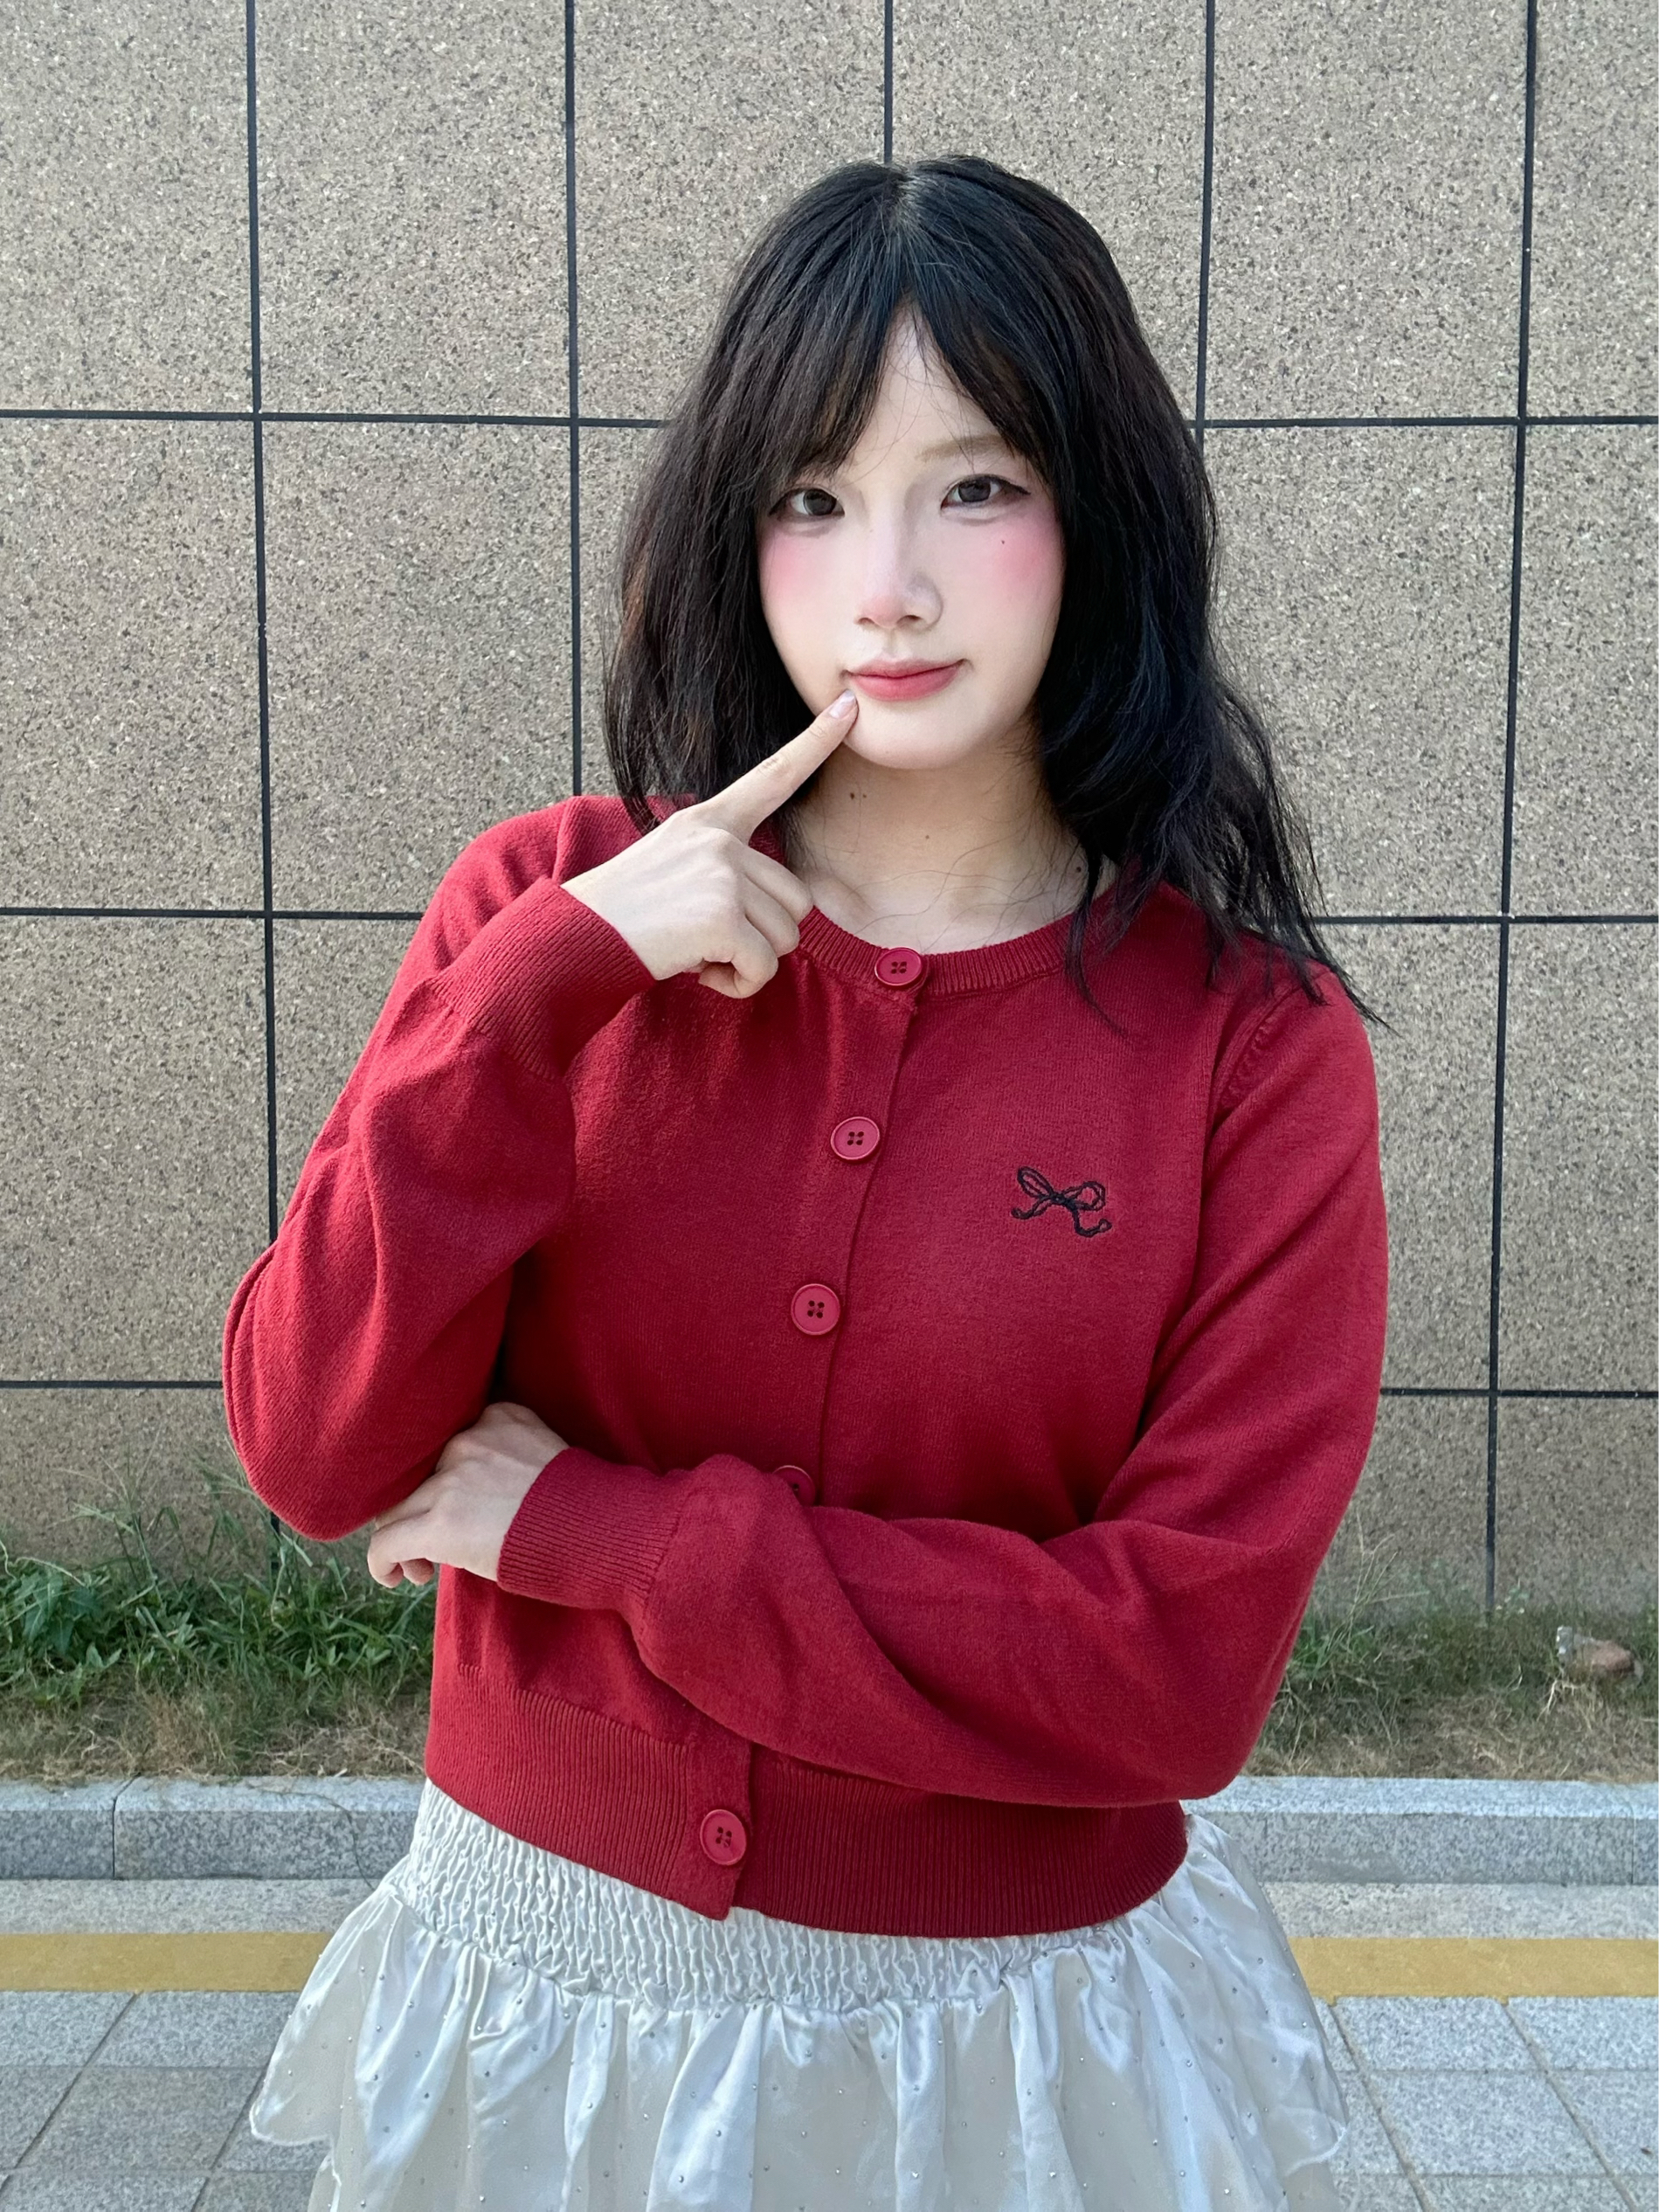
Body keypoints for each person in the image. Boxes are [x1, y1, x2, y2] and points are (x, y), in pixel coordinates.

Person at [225, 153, 1388, 2212]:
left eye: (976, 486)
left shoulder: (1247, 1050)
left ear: (1098, 515)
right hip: (545, 2005)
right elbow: (318, 1450)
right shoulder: (542, 913)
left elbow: (1170, 1672)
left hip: (1009, 2055)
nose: (888, 589)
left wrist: (600, 1536)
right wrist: (538, 995)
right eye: (812, 496)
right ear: (731, 529)